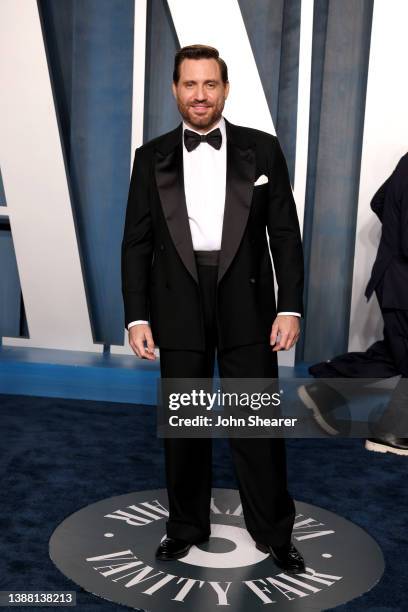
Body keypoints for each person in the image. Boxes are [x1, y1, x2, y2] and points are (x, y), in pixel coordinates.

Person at [121, 45, 305, 572]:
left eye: (210, 85)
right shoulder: (149, 156)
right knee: (184, 422)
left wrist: (289, 306)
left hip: (246, 296)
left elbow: (285, 237)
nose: (199, 95)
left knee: (256, 424)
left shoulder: (262, 150)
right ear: (175, 89)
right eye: (189, 84)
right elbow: (136, 241)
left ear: (225, 89)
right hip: (176, 298)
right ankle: (184, 527)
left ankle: (274, 531)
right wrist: (137, 315)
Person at [304, 154, 408, 454]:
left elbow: (381, 202)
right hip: (402, 285)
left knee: (394, 354)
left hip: (397, 281)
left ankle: (325, 389)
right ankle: (391, 433)